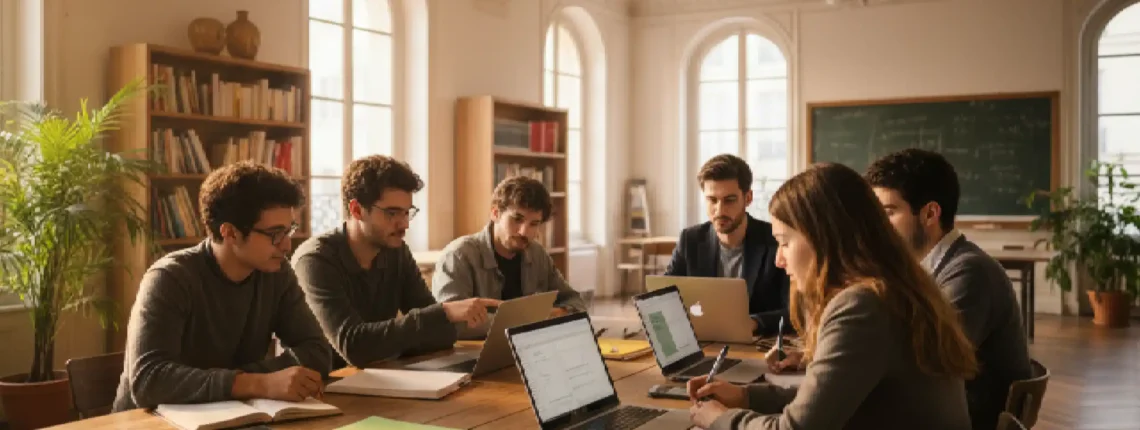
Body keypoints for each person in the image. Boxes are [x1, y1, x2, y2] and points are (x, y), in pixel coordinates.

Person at [686, 162, 978, 430]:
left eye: (784, 242)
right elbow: (827, 394)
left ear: (822, 238)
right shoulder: (892, 288)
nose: (779, 259)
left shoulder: (862, 306)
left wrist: (720, 419)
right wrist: (745, 396)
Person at [113, 161, 332, 412]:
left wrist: (240, 381)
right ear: (230, 233)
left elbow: (317, 353)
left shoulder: (276, 273)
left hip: (230, 414)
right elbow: (149, 382)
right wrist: (258, 383)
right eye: (275, 233)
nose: (286, 246)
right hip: (148, 423)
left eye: (289, 230)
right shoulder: (170, 278)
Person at [865, 148, 1032, 430]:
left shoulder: (969, 272)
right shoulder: (920, 269)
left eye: (889, 213)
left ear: (930, 213)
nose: (878, 226)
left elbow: (924, 362)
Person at [292, 155, 500, 368]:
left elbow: (440, 335)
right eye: (392, 213)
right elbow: (354, 346)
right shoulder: (315, 260)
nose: (404, 224)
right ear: (356, 210)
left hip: (379, 376)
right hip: (320, 386)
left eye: (407, 213)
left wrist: (424, 325)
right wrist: (443, 313)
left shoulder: (396, 252)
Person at [664, 154, 791, 336]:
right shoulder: (690, 240)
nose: (720, 210)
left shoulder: (775, 241)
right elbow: (664, 297)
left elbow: (795, 311)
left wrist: (754, 322)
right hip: (705, 341)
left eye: (729, 200)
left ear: (748, 198)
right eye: (712, 200)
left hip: (759, 344)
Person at [432, 175, 586, 323]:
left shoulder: (537, 254)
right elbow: (451, 323)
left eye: (534, 224)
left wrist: (560, 312)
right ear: (495, 213)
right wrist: (532, 317)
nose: (524, 232)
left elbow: (574, 302)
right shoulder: (458, 256)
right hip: (474, 349)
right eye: (517, 219)